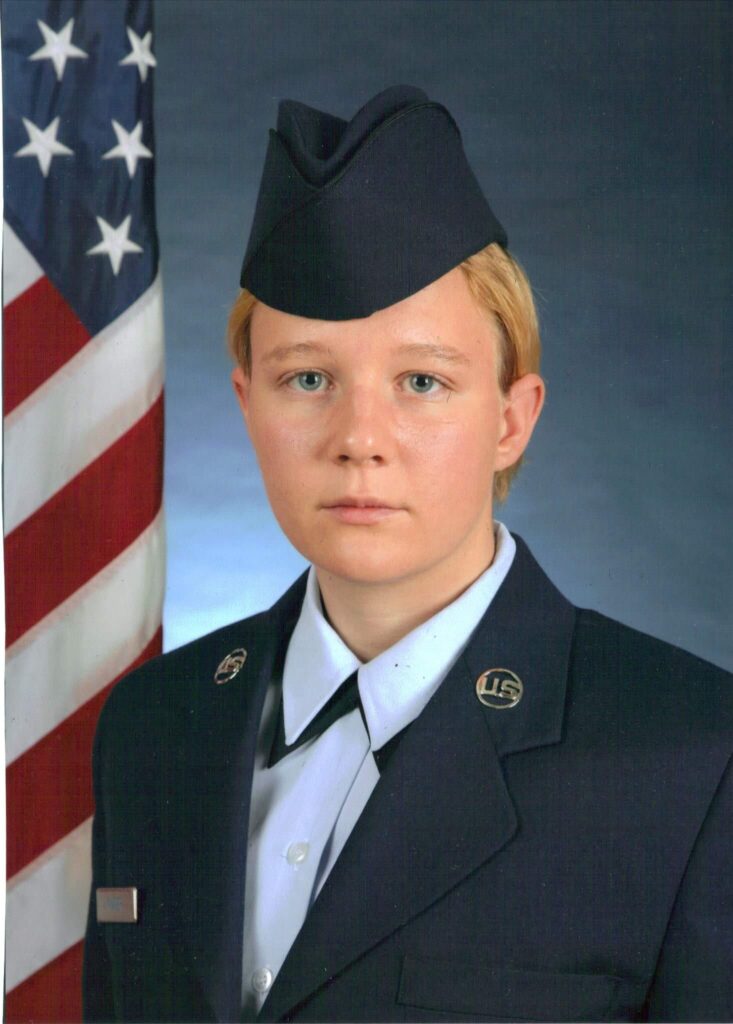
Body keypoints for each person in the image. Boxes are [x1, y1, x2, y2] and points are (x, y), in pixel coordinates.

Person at [83, 86, 733, 1023]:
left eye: (422, 381)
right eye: (308, 377)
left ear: (510, 420)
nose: (359, 438)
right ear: (246, 405)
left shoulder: (690, 758)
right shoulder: (154, 726)